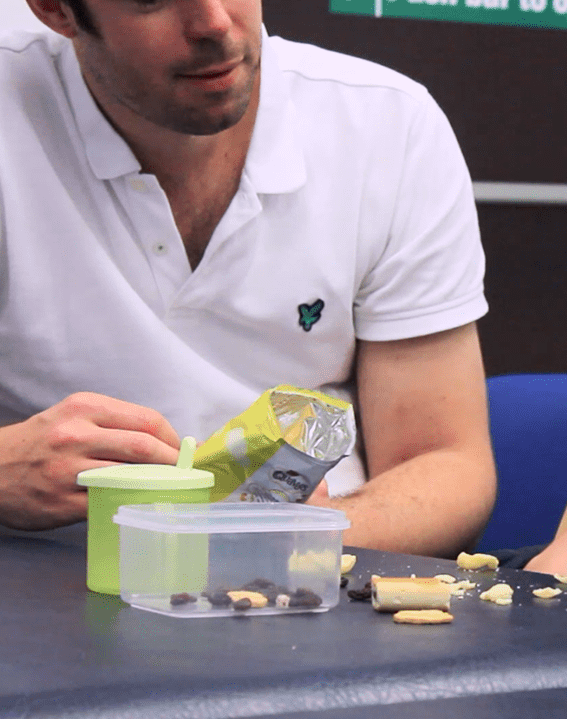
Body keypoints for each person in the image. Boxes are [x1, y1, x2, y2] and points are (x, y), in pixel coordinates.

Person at [0, 0, 496, 557]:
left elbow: (443, 462)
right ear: (55, 11)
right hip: (47, 596)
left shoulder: (386, 123)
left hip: (314, 596)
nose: (214, 23)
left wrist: (302, 540)